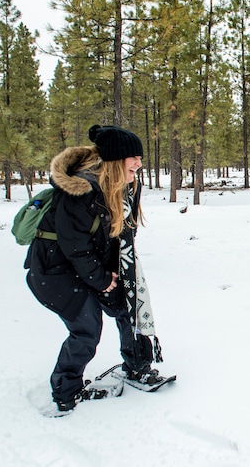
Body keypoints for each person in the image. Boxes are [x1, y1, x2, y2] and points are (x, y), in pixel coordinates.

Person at [25, 125, 163, 412]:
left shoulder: (124, 186)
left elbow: (122, 235)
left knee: (127, 307)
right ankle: (67, 392)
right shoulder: (80, 189)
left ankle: (137, 366)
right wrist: (101, 279)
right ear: (114, 159)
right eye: (132, 157)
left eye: (140, 156)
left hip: (88, 267)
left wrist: (118, 277)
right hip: (54, 272)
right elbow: (74, 244)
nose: (139, 163)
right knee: (87, 329)